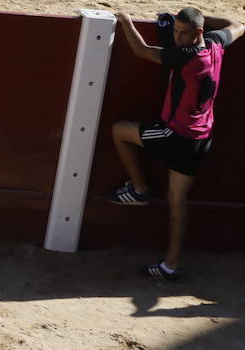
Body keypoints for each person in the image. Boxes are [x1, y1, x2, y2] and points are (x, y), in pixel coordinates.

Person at [105, 8, 242, 280]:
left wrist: (125, 20)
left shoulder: (185, 56)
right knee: (177, 201)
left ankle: (140, 189)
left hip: (176, 136)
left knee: (120, 131)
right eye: (176, 31)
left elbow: (142, 51)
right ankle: (170, 266)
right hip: (201, 138)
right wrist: (201, 19)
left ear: (199, 33)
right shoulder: (215, 44)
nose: (177, 37)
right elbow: (237, 24)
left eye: (184, 32)